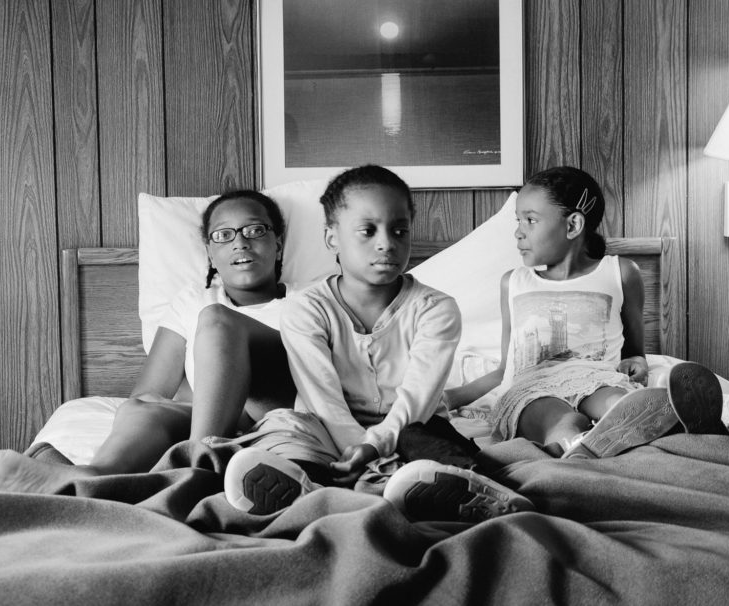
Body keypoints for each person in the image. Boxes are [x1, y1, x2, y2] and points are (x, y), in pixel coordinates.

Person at [219, 164, 534, 521]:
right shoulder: (305, 309)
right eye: (367, 231)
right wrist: (356, 446)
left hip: (411, 425)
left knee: (423, 439)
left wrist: (373, 446)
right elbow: (323, 400)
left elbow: (417, 399)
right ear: (332, 238)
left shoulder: (435, 309)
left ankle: (470, 493)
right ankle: (307, 487)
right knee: (287, 425)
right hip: (329, 427)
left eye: (399, 231)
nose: (387, 243)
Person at [0, 190, 297, 494]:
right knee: (138, 408)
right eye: (224, 235)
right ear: (210, 252)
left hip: (272, 418)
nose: (241, 243)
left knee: (217, 320)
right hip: (209, 423)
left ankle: (197, 472)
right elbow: (150, 392)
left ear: (278, 243)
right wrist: (198, 401)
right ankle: (88, 479)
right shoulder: (192, 300)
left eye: (255, 230)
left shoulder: (310, 301)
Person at [442, 166, 726, 460]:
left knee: (620, 402)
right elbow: (505, 370)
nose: (518, 231)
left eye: (530, 220)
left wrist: (637, 362)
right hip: (532, 388)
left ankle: (674, 420)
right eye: (518, 220)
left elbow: (635, 350)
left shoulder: (620, 273)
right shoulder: (513, 283)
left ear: (573, 225)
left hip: (596, 378)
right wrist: (449, 397)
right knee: (561, 421)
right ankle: (582, 449)